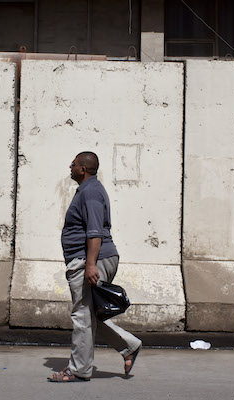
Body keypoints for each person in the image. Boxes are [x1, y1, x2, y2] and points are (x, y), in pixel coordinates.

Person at [48, 151, 142, 383]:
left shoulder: (90, 193)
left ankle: (78, 369)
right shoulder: (89, 190)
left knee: (82, 315)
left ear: (82, 169)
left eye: (74, 163)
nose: (70, 166)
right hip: (90, 259)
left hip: (92, 260)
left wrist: (90, 264)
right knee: (88, 316)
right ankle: (128, 346)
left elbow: (94, 232)